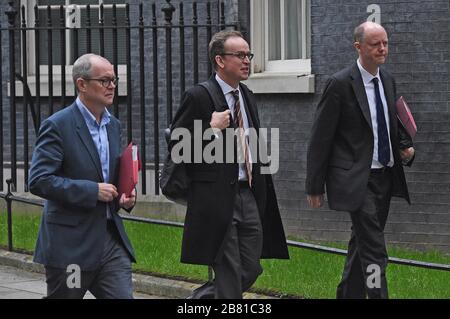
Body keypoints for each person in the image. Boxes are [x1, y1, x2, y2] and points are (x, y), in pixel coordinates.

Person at [170, 30, 289, 299]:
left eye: (249, 55)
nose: (247, 60)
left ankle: (199, 300)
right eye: (240, 55)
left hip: (247, 194)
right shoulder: (198, 96)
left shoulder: (246, 95)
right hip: (216, 198)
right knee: (229, 270)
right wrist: (210, 129)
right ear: (220, 60)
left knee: (250, 267)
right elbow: (177, 148)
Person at [305, 22, 415, 299]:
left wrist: (405, 147)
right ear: (358, 47)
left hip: (385, 178)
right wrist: (314, 185)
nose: (382, 49)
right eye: (375, 44)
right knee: (375, 250)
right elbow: (320, 137)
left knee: (362, 244)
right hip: (357, 180)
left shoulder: (387, 80)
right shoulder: (340, 84)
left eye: (386, 43)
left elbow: (390, 122)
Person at [29, 53, 137, 299]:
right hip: (71, 247)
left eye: (114, 80)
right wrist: (92, 191)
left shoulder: (113, 125)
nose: (112, 86)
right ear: (82, 84)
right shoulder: (58, 126)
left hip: (110, 242)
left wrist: (123, 196)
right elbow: (39, 180)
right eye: (105, 80)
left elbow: (108, 174)